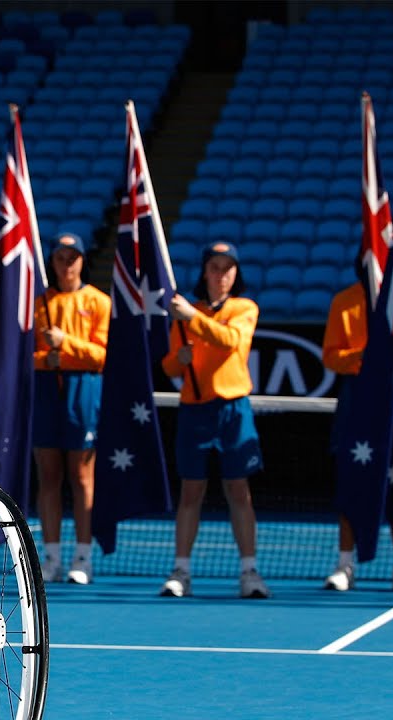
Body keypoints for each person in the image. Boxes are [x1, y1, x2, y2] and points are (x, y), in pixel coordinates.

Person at [159, 242, 269, 599]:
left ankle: (249, 570)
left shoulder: (243, 308)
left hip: (233, 408)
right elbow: (170, 365)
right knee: (191, 490)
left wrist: (192, 317)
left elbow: (231, 341)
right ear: (205, 271)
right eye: (215, 267)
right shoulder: (186, 313)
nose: (221, 275)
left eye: (228, 268)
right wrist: (181, 357)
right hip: (195, 409)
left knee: (239, 490)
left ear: (236, 274)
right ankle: (182, 570)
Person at [321, 271, 393, 592]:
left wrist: (385, 356)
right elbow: (331, 355)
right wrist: (362, 359)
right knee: (352, 481)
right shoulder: (345, 301)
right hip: (357, 400)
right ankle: (345, 564)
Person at [32, 231, 110, 585]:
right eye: (61, 257)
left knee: (82, 477)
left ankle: (83, 556)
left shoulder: (98, 302)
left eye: (73, 257)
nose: (67, 263)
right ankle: (51, 558)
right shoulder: (40, 303)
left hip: (84, 390)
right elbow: (27, 357)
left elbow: (102, 354)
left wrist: (66, 346)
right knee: (48, 476)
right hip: (47, 390)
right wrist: (49, 356)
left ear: (82, 261)